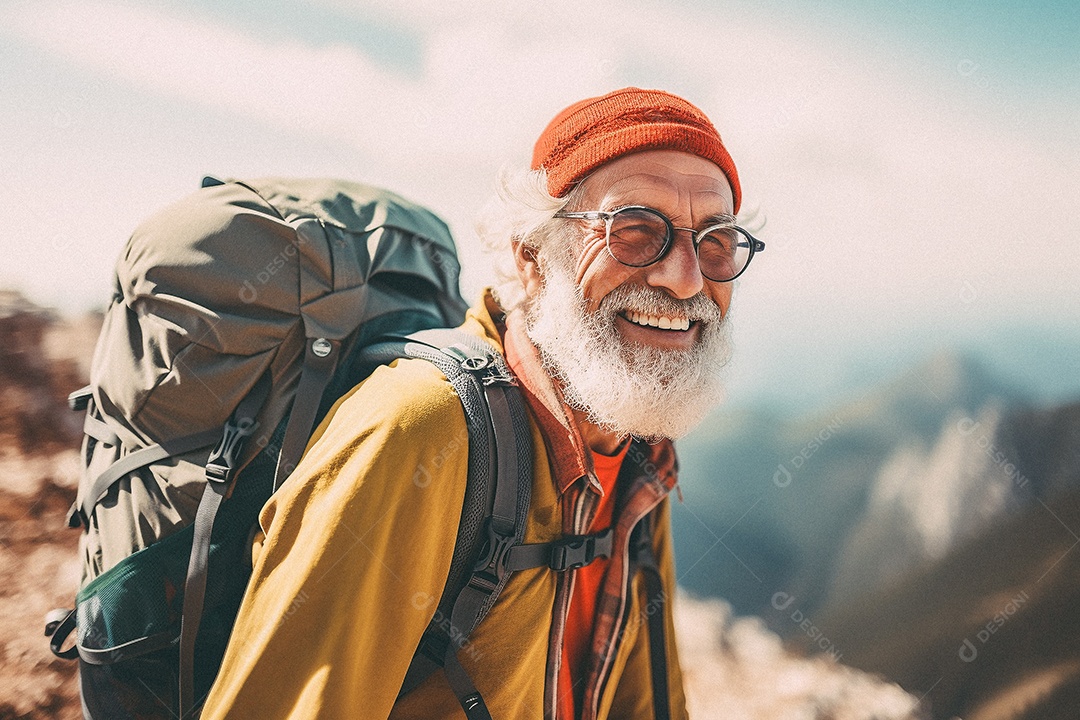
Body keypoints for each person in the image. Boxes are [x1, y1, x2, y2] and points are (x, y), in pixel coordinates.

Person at [201, 87, 763, 720]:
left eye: (716, 241)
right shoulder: (420, 429)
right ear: (531, 258)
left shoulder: (636, 440)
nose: (685, 278)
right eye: (634, 232)